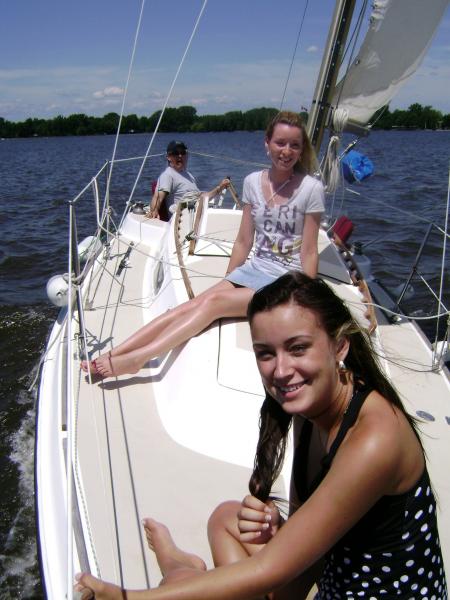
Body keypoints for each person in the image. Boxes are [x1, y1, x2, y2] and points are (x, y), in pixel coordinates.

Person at [75, 272, 448, 599]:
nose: (281, 370)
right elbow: (296, 579)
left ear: (340, 346)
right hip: (333, 581)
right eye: (265, 353)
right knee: (227, 518)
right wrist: (282, 530)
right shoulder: (311, 411)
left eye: (297, 347)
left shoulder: (375, 439)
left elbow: (271, 573)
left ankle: (177, 569)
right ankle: (181, 569)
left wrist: (126, 599)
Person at [81, 111, 325, 378]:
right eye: (280, 142)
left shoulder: (311, 189)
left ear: (302, 150)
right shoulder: (253, 182)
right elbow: (244, 240)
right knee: (188, 306)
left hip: (285, 280)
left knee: (213, 305)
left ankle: (138, 359)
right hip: (255, 269)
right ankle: (115, 353)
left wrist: (305, 298)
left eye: (294, 145)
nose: (286, 151)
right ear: (267, 143)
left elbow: (309, 250)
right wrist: (230, 279)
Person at [147, 140, 230, 221]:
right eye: (176, 153)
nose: (180, 155)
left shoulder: (188, 175)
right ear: (168, 157)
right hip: (183, 221)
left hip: (197, 214)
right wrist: (154, 211)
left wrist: (220, 187)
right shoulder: (167, 175)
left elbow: (201, 197)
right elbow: (158, 197)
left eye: (183, 153)